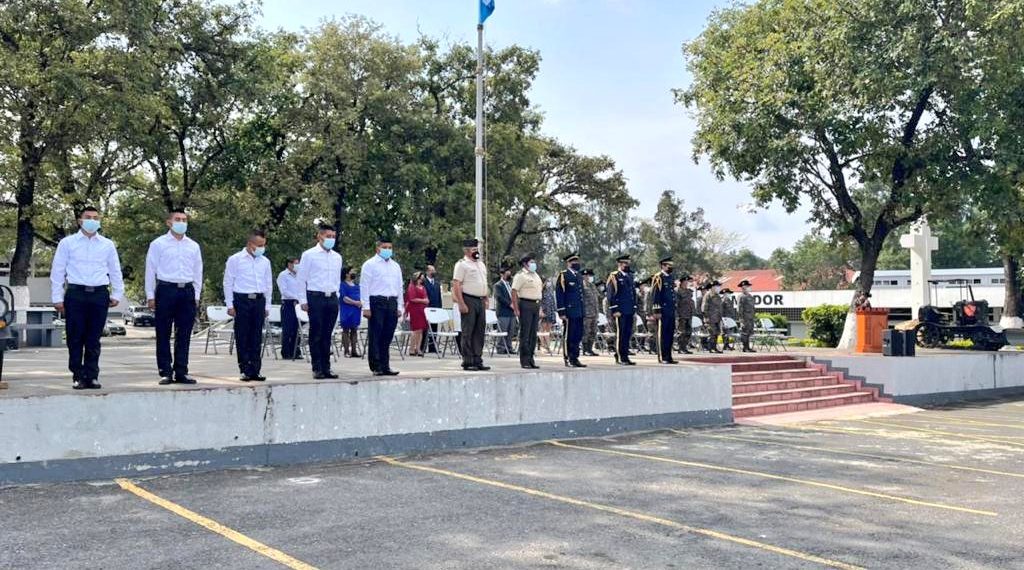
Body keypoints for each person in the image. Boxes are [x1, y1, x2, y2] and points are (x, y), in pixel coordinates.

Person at [50, 206, 125, 390]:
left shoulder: (107, 244)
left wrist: (117, 293)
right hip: (76, 293)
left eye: (96, 217)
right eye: (88, 217)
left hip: (99, 294)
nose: (92, 220)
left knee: (94, 337)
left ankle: (92, 375)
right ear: (80, 221)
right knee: (75, 337)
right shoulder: (67, 243)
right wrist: (57, 297)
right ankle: (78, 375)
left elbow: (115, 270)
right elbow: (58, 271)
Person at [145, 208, 202, 385]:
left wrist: (196, 295)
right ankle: (165, 371)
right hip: (166, 289)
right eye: (177, 219)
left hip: (187, 291)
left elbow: (198, 271)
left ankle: (181, 371)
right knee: (163, 332)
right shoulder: (158, 244)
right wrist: (150, 295)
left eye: (184, 220)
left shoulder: (193, 245)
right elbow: (150, 270)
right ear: (169, 223)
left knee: (184, 333)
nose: (181, 223)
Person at [224, 229, 272, 382]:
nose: (261, 248)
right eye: (259, 245)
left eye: (263, 245)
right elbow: (228, 282)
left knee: (256, 336)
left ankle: (256, 370)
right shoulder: (235, 259)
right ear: (250, 244)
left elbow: (268, 284)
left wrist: (267, 305)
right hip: (242, 299)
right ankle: (245, 369)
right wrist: (229, 304)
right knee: (242, 335)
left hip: (259, 300)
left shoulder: (265, 262)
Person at [297, 224, 343, 379]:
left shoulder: (337, 257)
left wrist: (337, 296)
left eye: (333, 237)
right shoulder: (309, 255)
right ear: (320, 236)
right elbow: (301, 279)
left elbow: (337, 279)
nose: (331, 239)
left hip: (332, 298)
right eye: (328, 236)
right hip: (316, 297)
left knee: (327, 334)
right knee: (316, 333)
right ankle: (317, 367)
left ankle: (326, 367)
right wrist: (303, 300)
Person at [360, 237, 404, 376]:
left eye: (390, 247)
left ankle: (385, 365)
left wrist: (400, 306)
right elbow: (364, 286)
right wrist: (366, 307)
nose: (387, 250)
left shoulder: (395, 266)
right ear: (377, 248)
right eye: (384, 247)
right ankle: (376, 365)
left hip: (391, 301)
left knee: (388, 334)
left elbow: (399, 286)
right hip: (376, 301)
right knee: (376, 334)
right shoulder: (370, 264)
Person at [452, 238, 490, 372]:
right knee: (468, 331)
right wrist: (461, 302)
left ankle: (477, 359)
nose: (476, 251)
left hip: (480, 300)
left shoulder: (481, 264)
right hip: (468, 299)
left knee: (479, 331)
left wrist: (486, 297)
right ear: (467, 251)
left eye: (477, 249)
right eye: (474, 249)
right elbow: (456, 284)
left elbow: (483, 282)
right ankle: (468, 361)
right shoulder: (462, 265)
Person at [511, 255, 542, 369]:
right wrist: (516, 308)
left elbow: (538, 291)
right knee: (525, 334)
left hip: (535, 304)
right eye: (531, 262)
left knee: (533, 334)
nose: (534, 264)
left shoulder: (535, 275)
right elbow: (514, 292)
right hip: (525, 304)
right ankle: (524, 360)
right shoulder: (521, 275)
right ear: (525, 263)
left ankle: (531, 359)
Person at [555, 252, 586, 368]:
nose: (576, 263)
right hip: (569, 310)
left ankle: (575, 357)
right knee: (569, 335)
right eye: (573, 261)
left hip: (579, 310)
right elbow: (560, 294)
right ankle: (568, 357)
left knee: (578, 335)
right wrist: (561, 311)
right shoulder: (564, 275)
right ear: (568, 263)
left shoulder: (578, 276)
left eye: (577, 261)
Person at [606, 254, 637, 365]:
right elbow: (611, 295)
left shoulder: (629, 276)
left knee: (627, 334)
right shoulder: (614, 276)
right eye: (625, 263)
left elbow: (632, 293)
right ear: (619, 264)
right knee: (621, 334)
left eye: (628, 263)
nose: (627, 265)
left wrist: (634, 307)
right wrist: (615, 310)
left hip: (629, 310)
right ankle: (619, 356)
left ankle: (625, 356)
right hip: (620, 311)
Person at [648, 257, 678, 364]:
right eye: (669, 265)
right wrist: (657, 310)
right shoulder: (658, 277)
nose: (671, 267)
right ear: (663, 266)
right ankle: (662, 356)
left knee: (670, 334)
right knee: (662, 334)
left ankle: (668, 356)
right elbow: (655, 295)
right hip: (662, 310)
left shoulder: (670, 277)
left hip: (670, 310)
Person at [276, 257, 302, 360]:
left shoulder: (299, 275)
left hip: (298, 304)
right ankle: (286, 352)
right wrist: (296, 297)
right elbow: (284, 291)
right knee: (287, 329)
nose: (297, 266)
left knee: (296, 329)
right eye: (296, 263)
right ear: (289, 264)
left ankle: (295, 351)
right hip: (288, 304)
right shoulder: (283, 275)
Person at [338, 266, 362, 358]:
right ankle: (346, 351)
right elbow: (344, 298)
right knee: (346, 330)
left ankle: (354, 351)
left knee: (354, 329)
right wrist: (355, 302)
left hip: (356, 310)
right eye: (352, 272)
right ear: (347, 274)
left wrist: (360, 302)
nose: (354, 273)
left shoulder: (356, 285)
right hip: (347, 309)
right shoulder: (342, 284)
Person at [492, 266, 516, 354]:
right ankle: (501, 348)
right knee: (503, 330)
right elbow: (499, 297)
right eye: (507, 273)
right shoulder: (498, 285)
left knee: (511, 331)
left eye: (509, 272)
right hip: (503, 312)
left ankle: (509, 347)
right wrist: (510, 304)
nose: (509, 274)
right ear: (502, 274)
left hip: (512, 312)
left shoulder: (510, 285)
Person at [405, 271, 429, 357]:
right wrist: (423, 300)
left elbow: (426, 297)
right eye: (420, 278)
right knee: (415, 330)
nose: (421, 280)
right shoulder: (412, 287)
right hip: (414, 309)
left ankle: (418, 348)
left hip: (422, 310)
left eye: (422, 278)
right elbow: (412, 298)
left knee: (421, 330)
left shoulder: (423, 287)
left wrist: (426, 300)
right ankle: (411, 349)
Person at [422, 264, 443, 353]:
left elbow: (439, 297)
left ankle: (432, 347)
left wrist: (440, 308)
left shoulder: (437, 283)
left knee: (434, 329)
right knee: (425, 328)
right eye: (431, 270)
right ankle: (422, 347)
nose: (433, 272)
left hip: (436, 308)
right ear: (427, 272)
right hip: (426, 308)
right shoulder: (423, 282)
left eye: (434, 270)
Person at [701, 280, 724, 354]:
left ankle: (714, 347)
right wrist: (706, 317)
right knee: (712, 334)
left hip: (717, 318)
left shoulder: (718, 296)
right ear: (713, 287)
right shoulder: (708, 295)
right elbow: (704, 308)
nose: (719, 288)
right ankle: (711, 348)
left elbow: (720, 308)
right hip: (710, 318)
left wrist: (720, 317)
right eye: (717, 286)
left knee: (717, 333)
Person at [581, 268, 600, 356]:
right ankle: (585, 350)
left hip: (594, 312)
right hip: (586, 313)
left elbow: (596, 298)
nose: (589, 277)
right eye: (587, 276)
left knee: (593, 331)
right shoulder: (581, 286)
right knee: (586, 332)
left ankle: (590, 348)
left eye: (589, 276)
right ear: (583, 276)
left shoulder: (592, 286)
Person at [675, 273, 695, 354]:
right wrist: (677, 315)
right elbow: (676, 304)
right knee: (681, 332)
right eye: (686, 281)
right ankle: (681, 348)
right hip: (681, 315)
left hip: (688, 314)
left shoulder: (689, 291)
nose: (687, 283)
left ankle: (685, 347)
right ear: (682, 282)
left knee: (688, 332)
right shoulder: (677, 291)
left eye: (688, 281)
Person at [738, 279, 757, 353]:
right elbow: (740, 309)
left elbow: (752, 307)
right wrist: (741, 319)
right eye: (747, 286)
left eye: (749, 286)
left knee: (749, 333)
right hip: (745, 318)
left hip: (750, 318)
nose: (749, 287)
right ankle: (745, 347)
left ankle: (748, 347)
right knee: (745, 333)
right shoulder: (741, 296)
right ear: (743, 287)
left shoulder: (750, 296)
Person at [540, 278, 557, 352]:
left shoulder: (550, 291)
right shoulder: (540, 291)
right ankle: (543, 345)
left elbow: (553, 302)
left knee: (548, 330)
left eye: (549, 282)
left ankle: (547, 346)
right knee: (542, 330)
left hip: (550, 312)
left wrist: (555, 311)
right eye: (547, 282)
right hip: (544, 312)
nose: (548, 283)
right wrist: (540, 311)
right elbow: (539, 302)